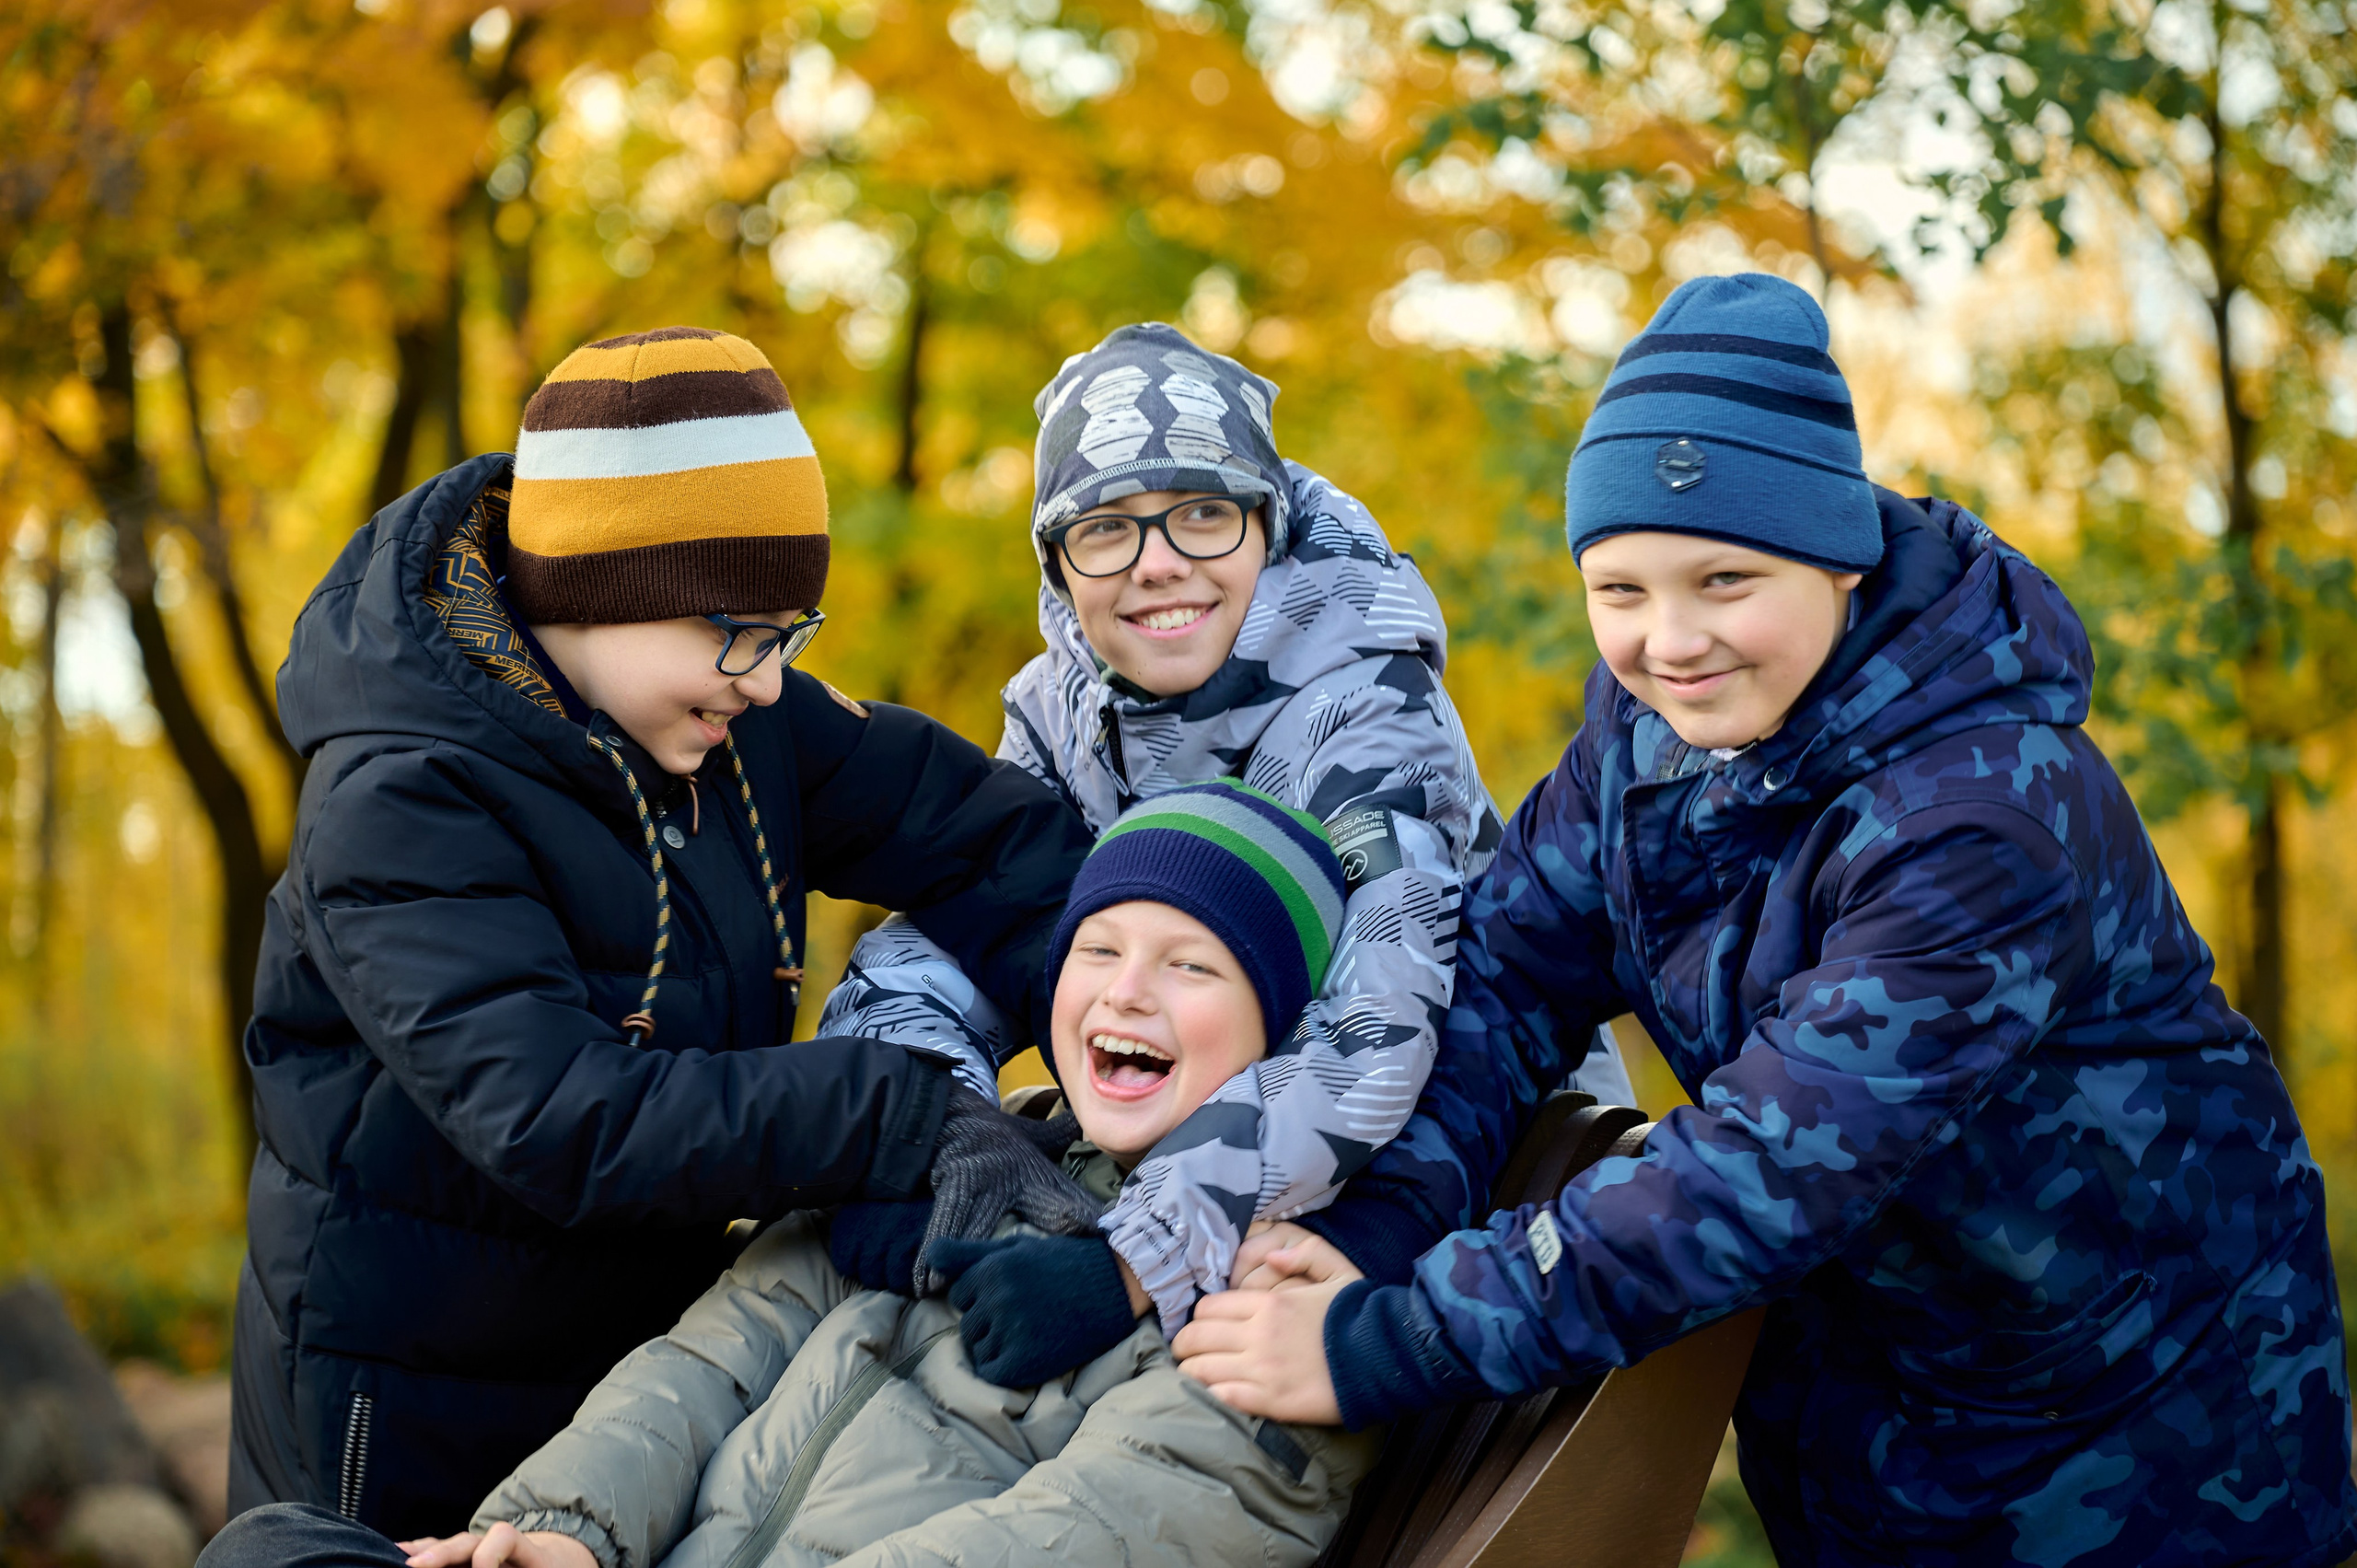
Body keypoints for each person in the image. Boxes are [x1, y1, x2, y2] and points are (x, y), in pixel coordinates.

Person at [1172, 274, 2357, 1567]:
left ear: (1838, 555)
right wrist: (1373, 1229)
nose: (1668, 640)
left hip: (2144, 1440)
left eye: (1723, 578)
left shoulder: (1984, 817)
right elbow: (1502, 980)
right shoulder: (1645, 740)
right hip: (1867, 1415)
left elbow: (1765, 1166)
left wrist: (1389, 1336)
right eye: (1618, 589)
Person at [233, 327, 1100, 1539]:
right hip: (411, 1400)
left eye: (790, 632)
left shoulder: (735, 717)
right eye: (740, 634)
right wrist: (902, 1109)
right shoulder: (404, 798)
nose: (765, 676)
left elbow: (987, 840)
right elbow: (566, 1119)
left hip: (640, 1380)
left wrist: (1134, 1005)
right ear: (603, 589)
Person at [201, 782, 1380, 1568]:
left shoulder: (1274, 1282)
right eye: (1099, 948)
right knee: (271, 1552)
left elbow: (1107, 1528)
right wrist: (563, 1526)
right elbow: (705, 1364)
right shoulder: (955, 1151)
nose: (1127, 990)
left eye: (1191, 965)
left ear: (1278, 1029)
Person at [817, 322, 1635, 1348]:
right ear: (1057, 566)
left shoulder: (1362, 703)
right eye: (1106, 528)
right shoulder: (1062, 716)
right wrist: (925, 1126)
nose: (1157, 565)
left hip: (1461, 1169)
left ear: (1267, 524)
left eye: (1202, 514)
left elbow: (1380, 1016)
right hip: (1214, 1147)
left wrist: (1135, 1258)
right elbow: (953, 932)